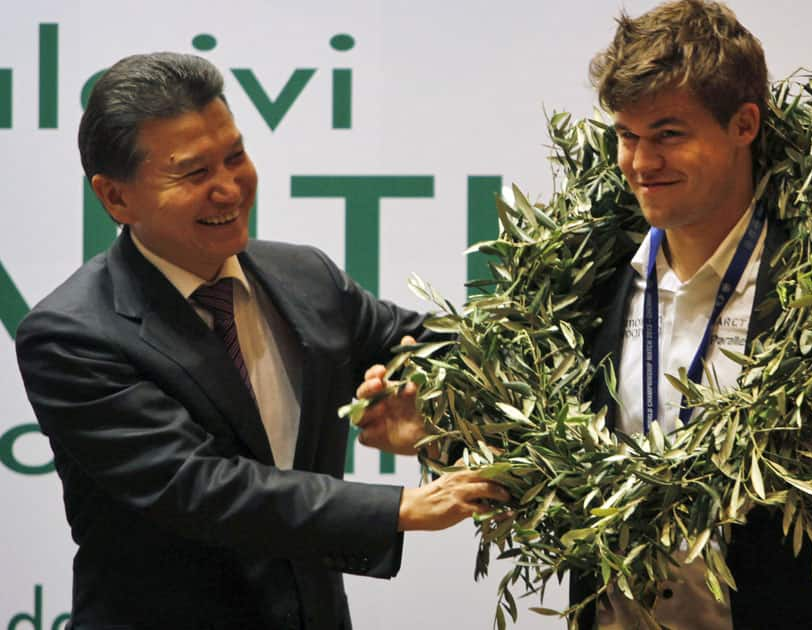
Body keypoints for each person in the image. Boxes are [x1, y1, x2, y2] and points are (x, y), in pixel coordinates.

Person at [360, 2, 812, 629]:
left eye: (668, 134)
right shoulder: (590, 286)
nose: (640, 163)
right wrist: (440, 439)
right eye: (627, 136)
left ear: (744, 125)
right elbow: (553, 468)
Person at [15, 51, 507, 630]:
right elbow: (199, 486)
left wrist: (435, 409)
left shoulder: (306, 278)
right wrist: (399, 507)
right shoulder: (72, 335)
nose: (229, 188)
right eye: (195, 174)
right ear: (115, 197)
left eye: (236, 156)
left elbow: (429, 349)